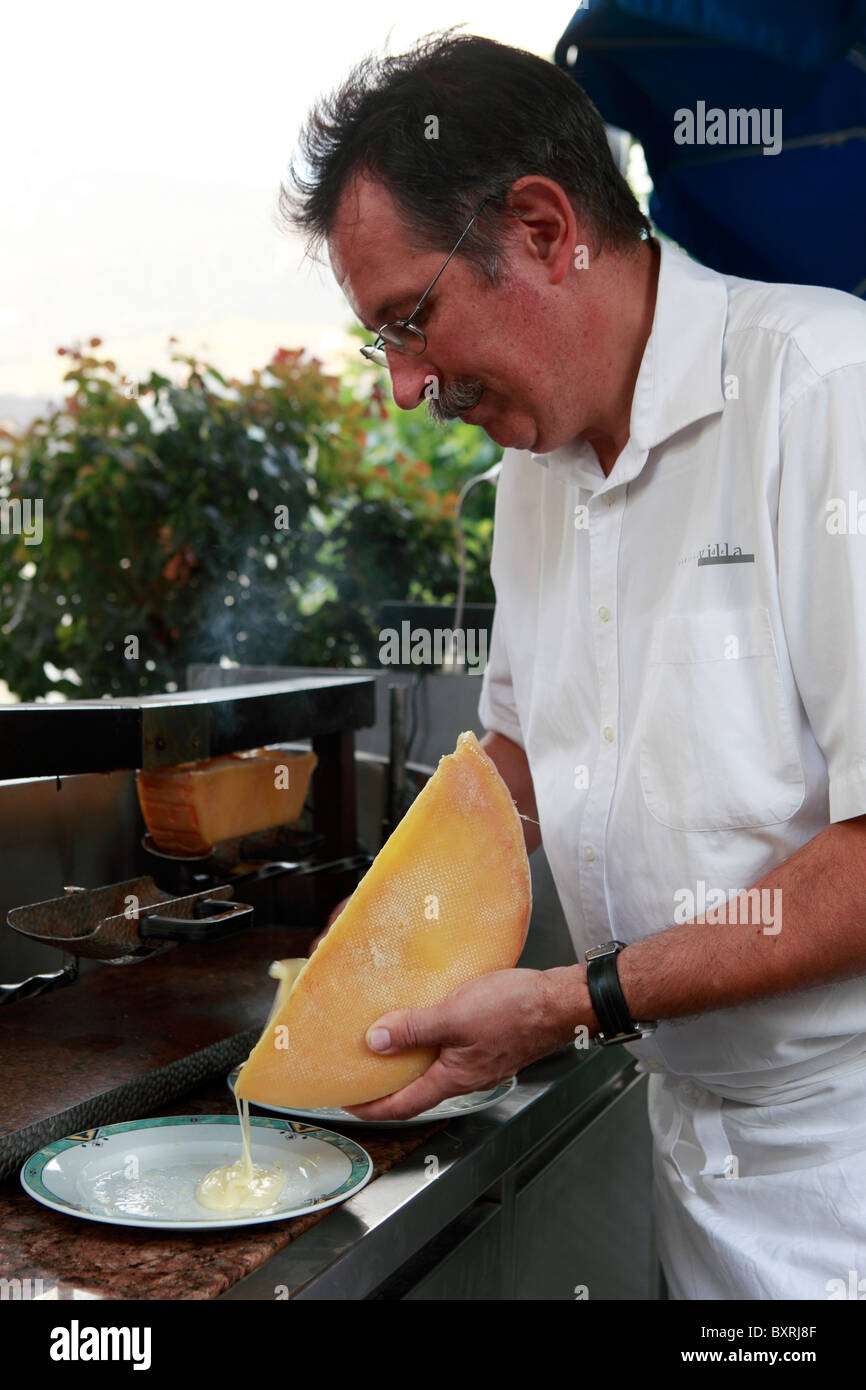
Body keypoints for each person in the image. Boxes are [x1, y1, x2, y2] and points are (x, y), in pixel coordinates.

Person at [284, 29, 866, 1299]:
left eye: (411, 320)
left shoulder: (825, 389)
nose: (403, 384)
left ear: (545, 230)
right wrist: (369, 952)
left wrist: (571, 1000)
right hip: (692, 1132)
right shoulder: (533, 480)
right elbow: (511, 765)